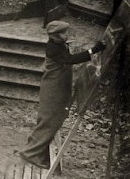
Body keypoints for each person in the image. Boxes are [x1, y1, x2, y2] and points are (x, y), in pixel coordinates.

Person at [18, 20, 106, 169]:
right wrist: (93, 50)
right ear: (55, 35)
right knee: (49, 120)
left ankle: (34, 148)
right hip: (53, 88)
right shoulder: (53, 48)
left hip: (57, 86)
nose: (67, 35)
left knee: (48, 120)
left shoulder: (58, 44)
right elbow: (70, 60)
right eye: (63, 33)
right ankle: (31, 154)